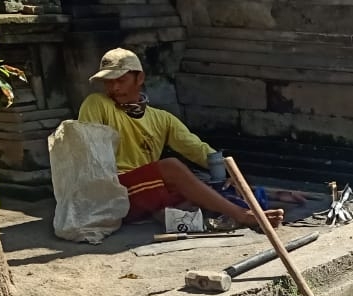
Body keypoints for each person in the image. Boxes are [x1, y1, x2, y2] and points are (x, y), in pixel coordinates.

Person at [77, 48, 284, 228]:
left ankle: (268, 198)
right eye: (108, 82)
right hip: (111, 191)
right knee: (172, 168)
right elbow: (90, 152)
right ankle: (242, 216)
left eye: (121, 80)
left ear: (139, 78)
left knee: (206, 185)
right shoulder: (96, 103)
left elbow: (197, 148)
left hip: (143, 189)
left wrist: (231, 173)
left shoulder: (162, 118)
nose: (114, 88)